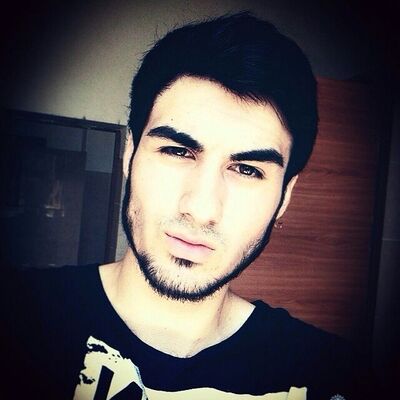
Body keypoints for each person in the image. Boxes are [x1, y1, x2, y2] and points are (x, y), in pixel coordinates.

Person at [4, 12, 376, 400]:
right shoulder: (17, 321)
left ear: (285, 196)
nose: (200, 209)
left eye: (247, 169)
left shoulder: (334, 377)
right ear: (130, 153)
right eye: (178, 151)